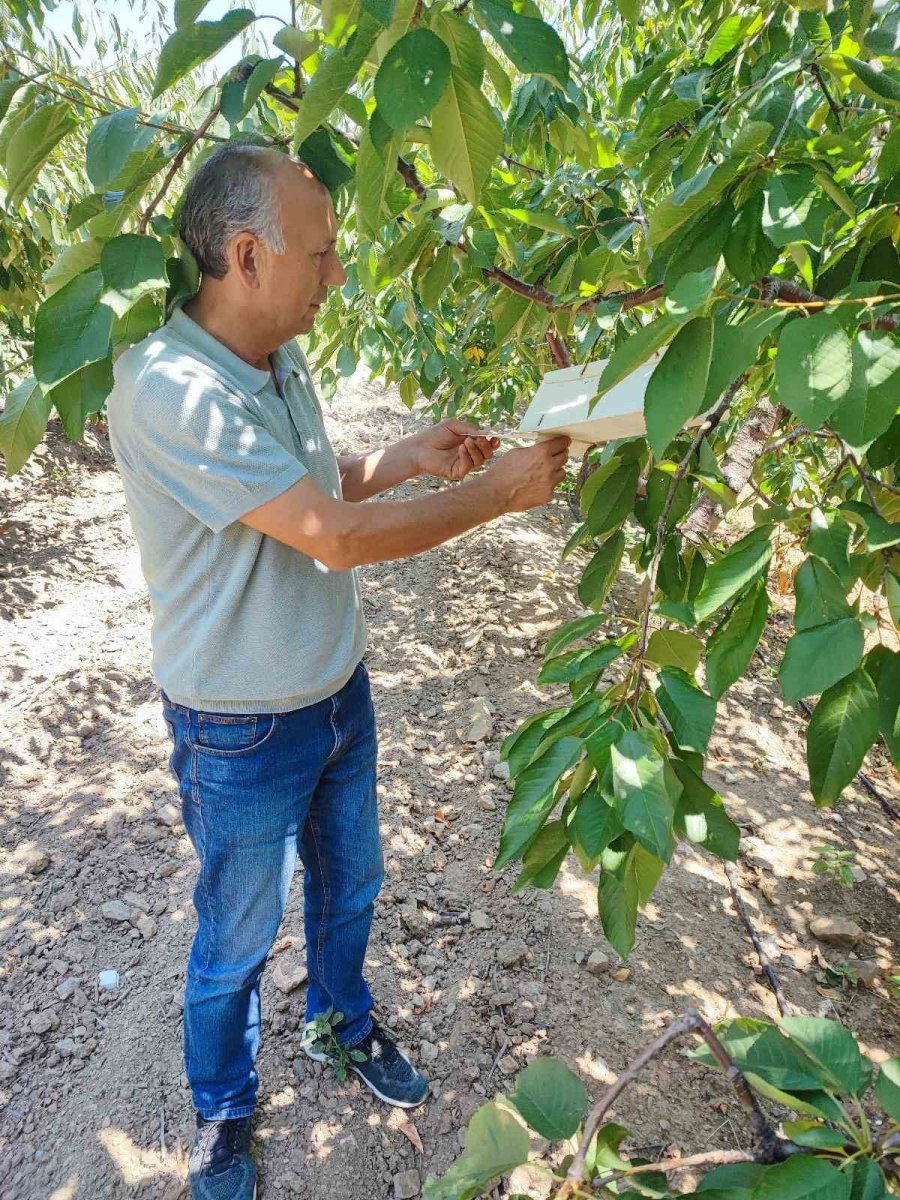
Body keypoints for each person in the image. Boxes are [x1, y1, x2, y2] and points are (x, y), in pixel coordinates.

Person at [106, 143, 570, 1200]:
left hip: (335, 689)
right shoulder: (172, 390)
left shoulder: (280, 350)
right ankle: (224, 1109)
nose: (338, 276)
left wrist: (404, 456)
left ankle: (341, 1026)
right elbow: (332, 538)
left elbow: (313, 491)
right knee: (236, 935)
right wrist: (498, 496)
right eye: (321, 256)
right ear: (246, 256)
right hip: (240, 726)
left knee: (350, 885)